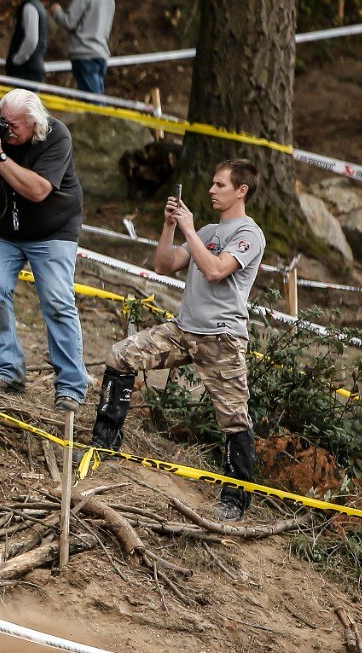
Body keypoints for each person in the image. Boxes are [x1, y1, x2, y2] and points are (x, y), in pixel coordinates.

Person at [90, 160, 264, 522]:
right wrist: (171, 226)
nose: (212, 190)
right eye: (213, 184)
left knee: (234, 418)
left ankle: (236, 498)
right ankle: (104, 445)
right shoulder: (209, 229)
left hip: (221, 338)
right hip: (184, 330)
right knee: (120, 356)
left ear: (241, 190)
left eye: (220, 185)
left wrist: (190, 229)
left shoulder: (250, 234)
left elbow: (216, 271)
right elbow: (164, 265)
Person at [0, 90, 87, 412]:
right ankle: (7, 371)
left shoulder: (55, 136)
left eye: (14, 126)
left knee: (56, 301)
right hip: (3, 230)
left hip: (53, 230)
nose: (8, 130)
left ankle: (70, 386)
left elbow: (38, 190)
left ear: (34, 122)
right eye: (4, 121)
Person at [49, 0, 115, 95]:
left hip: (84, 53)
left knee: (92, 103)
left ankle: (100, 118)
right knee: (97, 95)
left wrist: (57, 12)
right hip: (101, 52)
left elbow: (69, 22)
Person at [4, 0, 47, 83]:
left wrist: (17, 60)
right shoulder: (38, 6)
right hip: (32, 67)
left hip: (26, 70)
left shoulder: (29, 6)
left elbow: (31, 40)